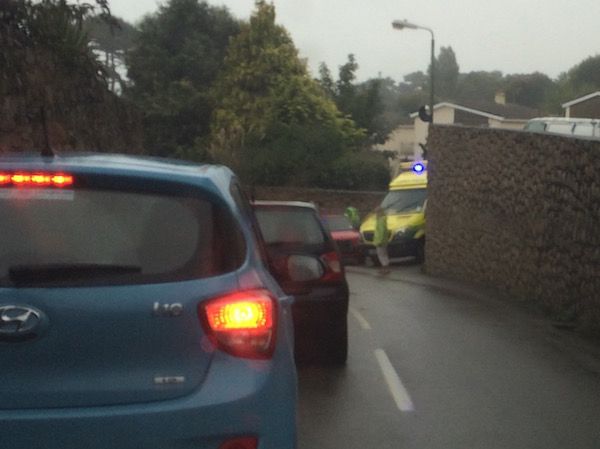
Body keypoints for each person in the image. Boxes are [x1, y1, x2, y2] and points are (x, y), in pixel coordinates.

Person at [373, 207, 391, 275]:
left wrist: (379, 241)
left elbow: (381, 231)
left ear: (379, 212)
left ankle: (384, 269)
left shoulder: (380, 220)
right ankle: (386, 268)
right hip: (384, 240)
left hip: (380, 241)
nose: (376, 214)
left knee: (381, 255)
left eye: (376, 212)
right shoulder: (383, 220)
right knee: (384, 254)